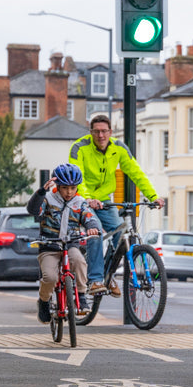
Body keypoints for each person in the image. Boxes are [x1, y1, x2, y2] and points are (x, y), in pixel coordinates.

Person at [67, 114, 162, 294]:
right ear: (91, 132)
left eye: (104, 131)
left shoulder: (118, 148)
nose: (101, 136)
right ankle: (95, 280)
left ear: (110, 132)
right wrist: (87, 198)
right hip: (82, 200)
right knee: (94, 232)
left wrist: (153, 196)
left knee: (121, 234)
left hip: (103, 201)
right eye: (96, 132)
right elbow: (77, 177)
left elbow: (136, 173)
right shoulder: (79, 147)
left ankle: (107, 275)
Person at [27, 163, 106, 324]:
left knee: (78, 260)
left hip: (70, 245)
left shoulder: (80, 202)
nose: (69, 192)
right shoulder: (48, 199)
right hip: (50, 246)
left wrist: (92, 227)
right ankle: (43, 301)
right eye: (65, 188)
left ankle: (81, 296)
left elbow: (89, 217)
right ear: (57, 186)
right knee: (50, 277)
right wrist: (41, 192)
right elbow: (33, 210)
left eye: (73, 188)